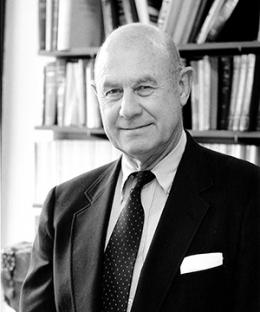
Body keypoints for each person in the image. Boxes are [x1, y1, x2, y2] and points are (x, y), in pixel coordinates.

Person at [20, 23, 260, 312]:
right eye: (113, 92)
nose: (127, 109)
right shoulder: (62, 207)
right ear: (97, 95)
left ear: (182, 87)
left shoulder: (248, 193)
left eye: (144, 88)